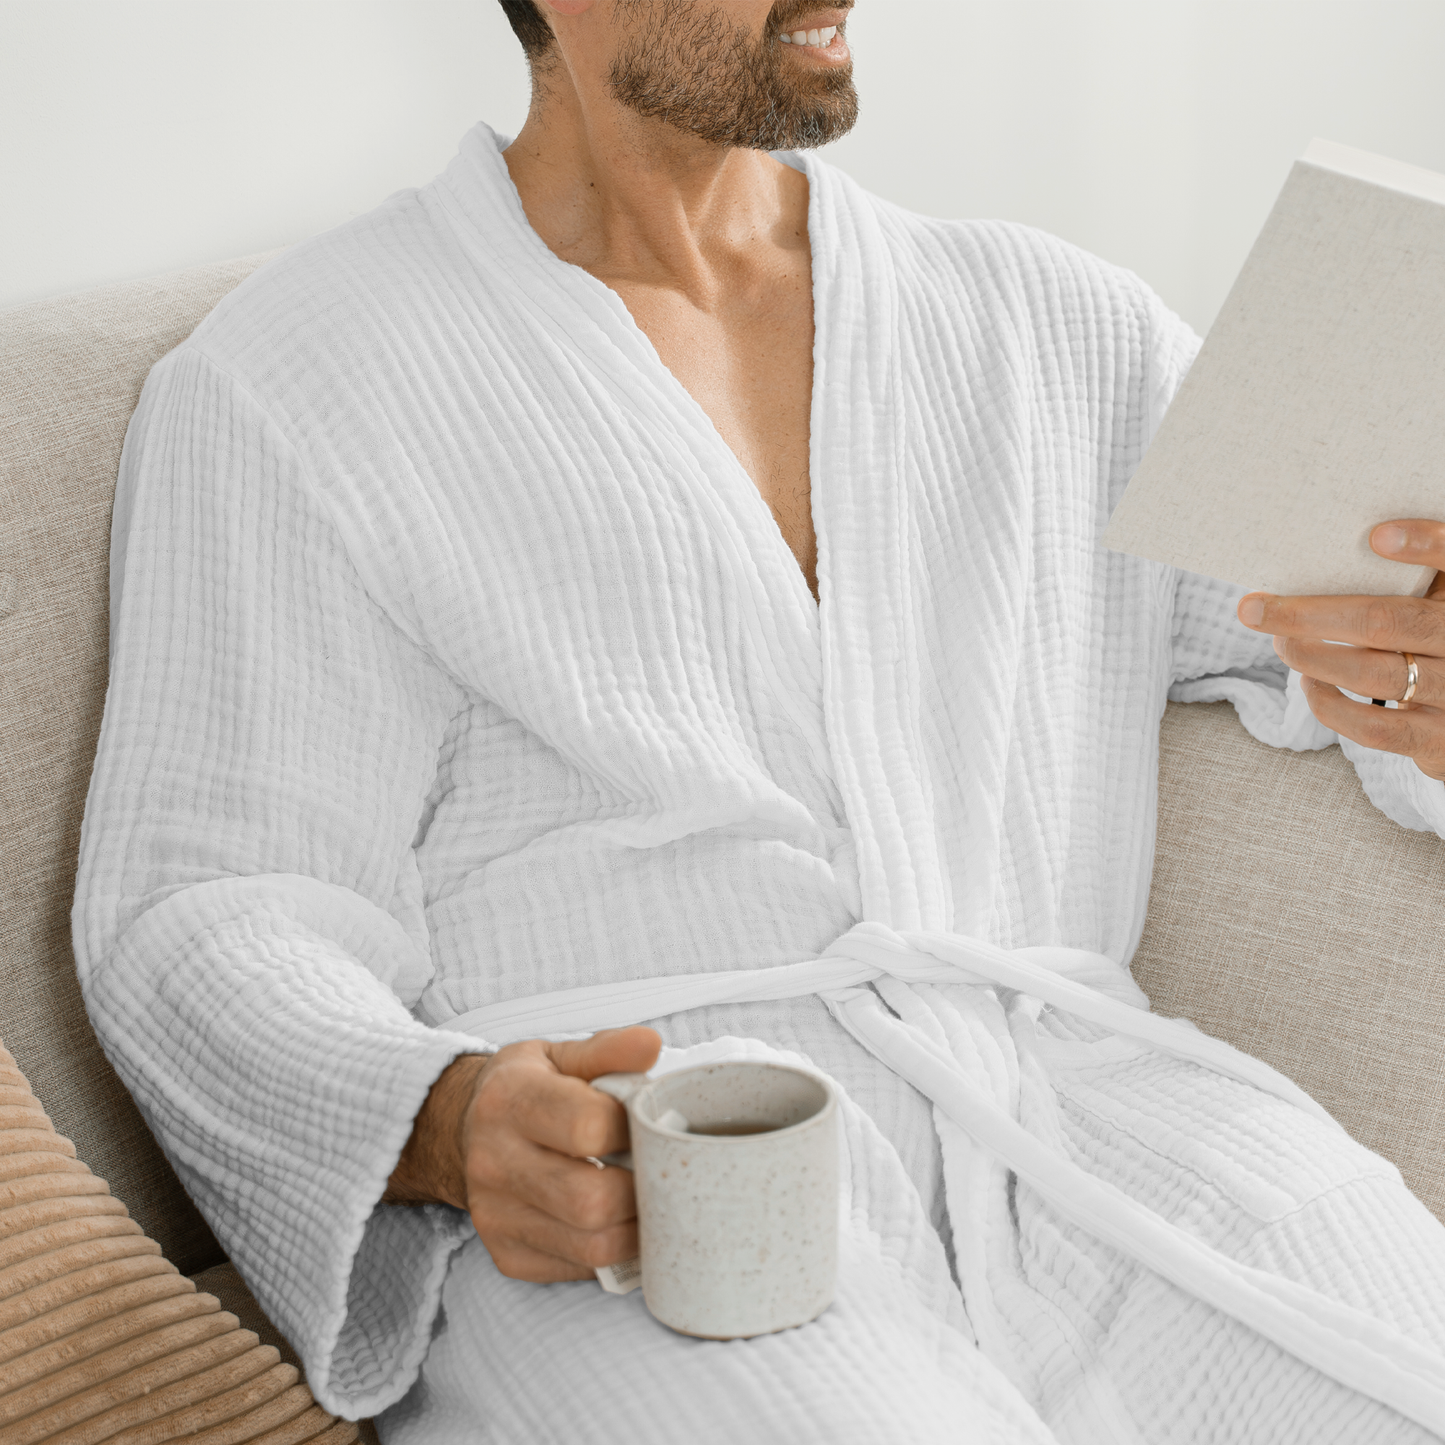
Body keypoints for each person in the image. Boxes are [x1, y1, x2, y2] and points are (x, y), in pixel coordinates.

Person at [73, 1, 1445, 1441]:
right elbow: (210, 898)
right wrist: (446, 1119)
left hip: (1087, 1119)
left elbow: (1336, 627)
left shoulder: (1055, 326)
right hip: (650, 1192)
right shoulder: (298, 384)